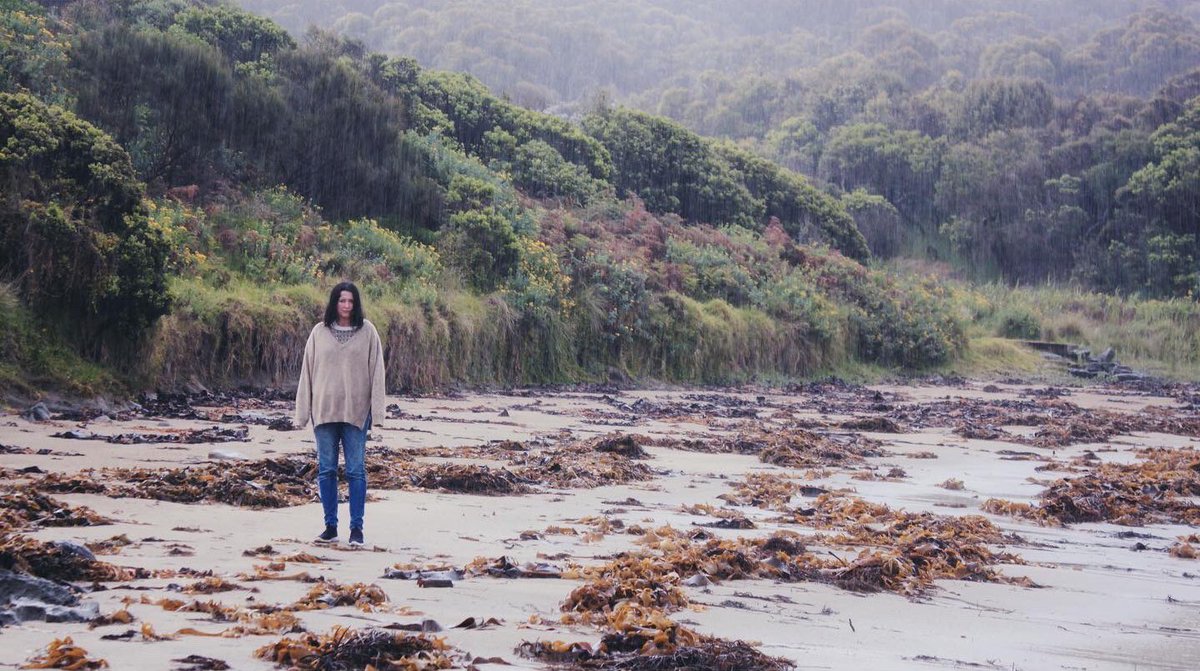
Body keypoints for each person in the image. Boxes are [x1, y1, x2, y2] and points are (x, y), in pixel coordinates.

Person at [294, 281, 386, 546]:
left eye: (350, 301)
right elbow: (307, 373)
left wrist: (377, 413)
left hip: (356, 413)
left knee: (356, 471)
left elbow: (377, 373)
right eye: (341, 300)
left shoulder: (368, 332)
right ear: (334, 303)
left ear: (355, 305)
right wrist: (302, 412)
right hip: (323, 412)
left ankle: (356, 529)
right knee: (326, 470)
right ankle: (330, 527)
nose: (346, 306)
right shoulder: (318, 332)